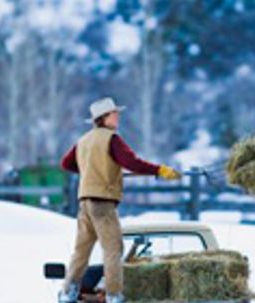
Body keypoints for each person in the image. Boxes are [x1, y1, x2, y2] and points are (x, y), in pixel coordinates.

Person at [58, 97, 181, 303]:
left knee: (81, 250)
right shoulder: (112, 139)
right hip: (103, 202)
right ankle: (114, 295)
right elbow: (132, 162)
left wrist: (91, 172)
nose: (118, 116)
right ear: (104, 118)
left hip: (85, 203)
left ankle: (68, 292)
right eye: (115, 113)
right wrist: (160, 170)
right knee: (113, 249)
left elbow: (65, 164)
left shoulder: (83, 140)